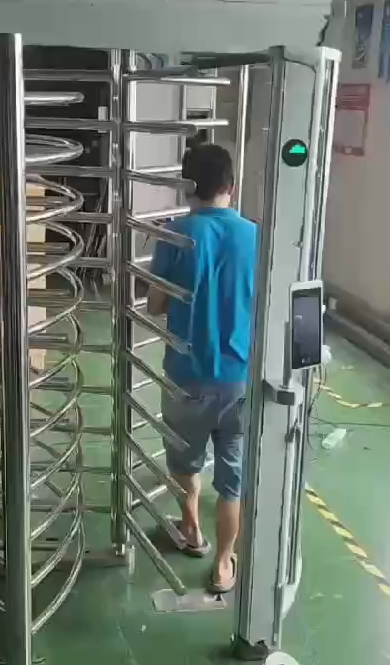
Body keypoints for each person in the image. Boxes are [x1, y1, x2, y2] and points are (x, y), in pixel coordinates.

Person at [147, 143, 257, 594]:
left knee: (185, 459)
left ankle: (191, 528)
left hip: (186, 374)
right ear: (231, 185)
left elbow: (154, 305)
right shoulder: (257, 235)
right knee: (232, 477)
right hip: (240, 376)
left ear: (187, 186)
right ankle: (225, 561)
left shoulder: (175, 235)